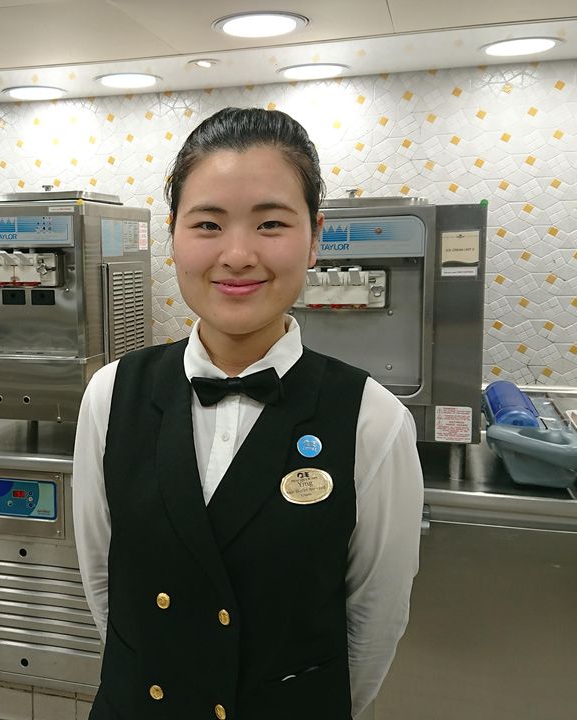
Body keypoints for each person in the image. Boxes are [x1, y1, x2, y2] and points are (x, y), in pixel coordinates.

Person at [72, 106, 423, 720]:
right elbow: (103, 583)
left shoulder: (373, 420)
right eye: (208, 224)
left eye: (271, 224)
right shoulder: (110, 395)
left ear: (315, 238)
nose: (237, 255)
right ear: (173, 236)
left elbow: (374, 620)